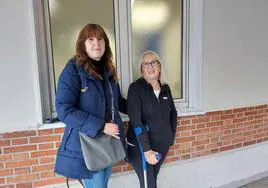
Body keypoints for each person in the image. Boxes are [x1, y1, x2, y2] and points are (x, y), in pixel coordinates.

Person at [54, 23, 127, 188]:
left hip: (107, 143)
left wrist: (141, 105)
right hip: (87, 145)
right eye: (91, 39)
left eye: (101, 39)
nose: (97, 44)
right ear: (82, 44)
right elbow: (64, 110)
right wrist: (101, 126)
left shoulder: (107, 70)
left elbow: (118, 102)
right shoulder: (73, 70)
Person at [127, 51, 177, 188]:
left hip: (161, 145)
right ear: (141, 70)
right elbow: (136, 122)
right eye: (145, 63)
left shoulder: (165, 89)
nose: (150, 66)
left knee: (151, 180)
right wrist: (147, 150)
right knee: (149, 184)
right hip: (141, 146)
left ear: (160, 67)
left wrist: (170, 136)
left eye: (153, 62)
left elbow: (173, 113)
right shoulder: (135, 89)